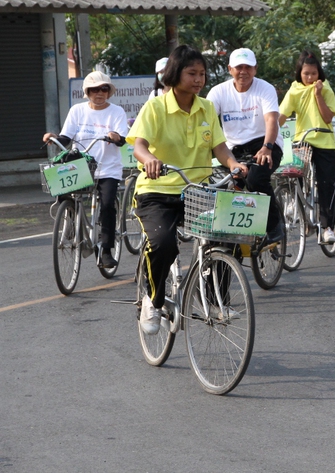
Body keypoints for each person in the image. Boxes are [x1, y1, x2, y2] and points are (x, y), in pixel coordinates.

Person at [128, 45, 247, 335]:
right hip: (156, 192)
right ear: (175, 74)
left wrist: (233, 164)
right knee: (163, 244)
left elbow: (219, 147)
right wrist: (150, 159)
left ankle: (215, 300)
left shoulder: (206, 107)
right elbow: (139, 145)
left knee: (229, 237)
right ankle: (153, 300)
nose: (198, 79)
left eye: (202, 74)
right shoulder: (156, 107)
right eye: (192, 73)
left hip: (197, 191)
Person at [43, 71, 128, 269]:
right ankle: (70, 220)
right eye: (94, 90)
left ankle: (106, 250)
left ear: (109, 91)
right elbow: (66, 137)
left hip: (108, 169)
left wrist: (116, 137)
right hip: (82, 166)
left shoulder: (117, 112)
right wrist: (53, 138)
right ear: (87, 92)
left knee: (107, 205)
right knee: (62, 186)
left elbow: (122, 140)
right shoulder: (77, 110)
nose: (99, 93)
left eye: (104, 89)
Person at [206, 48, 285, 246]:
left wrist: (267, 147)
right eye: (239, 67)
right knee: (221, 187)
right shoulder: (218, 92)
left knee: (256, 179)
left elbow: (272, 120)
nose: (243, 71)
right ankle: (228, 243)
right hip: (234, 149)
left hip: (265, 142)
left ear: (255, 69)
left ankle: (274, 225)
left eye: (248, 67)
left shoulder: (265, 88)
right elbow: (206, 123)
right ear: (230, 69)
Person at [279, 50, 335, 245]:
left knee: (326, 184)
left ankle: (328, 227)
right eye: (306, 74)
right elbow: (281, 115)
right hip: (302, 140)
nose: (310, 77)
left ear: (319, 73)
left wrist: (318, 94)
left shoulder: (325, 88)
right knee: (292, 173)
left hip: (325, 141)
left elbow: (328, 117)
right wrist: (269, 135)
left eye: (314, 73)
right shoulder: (294, 90)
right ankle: (294, 204)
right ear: (300, 73)